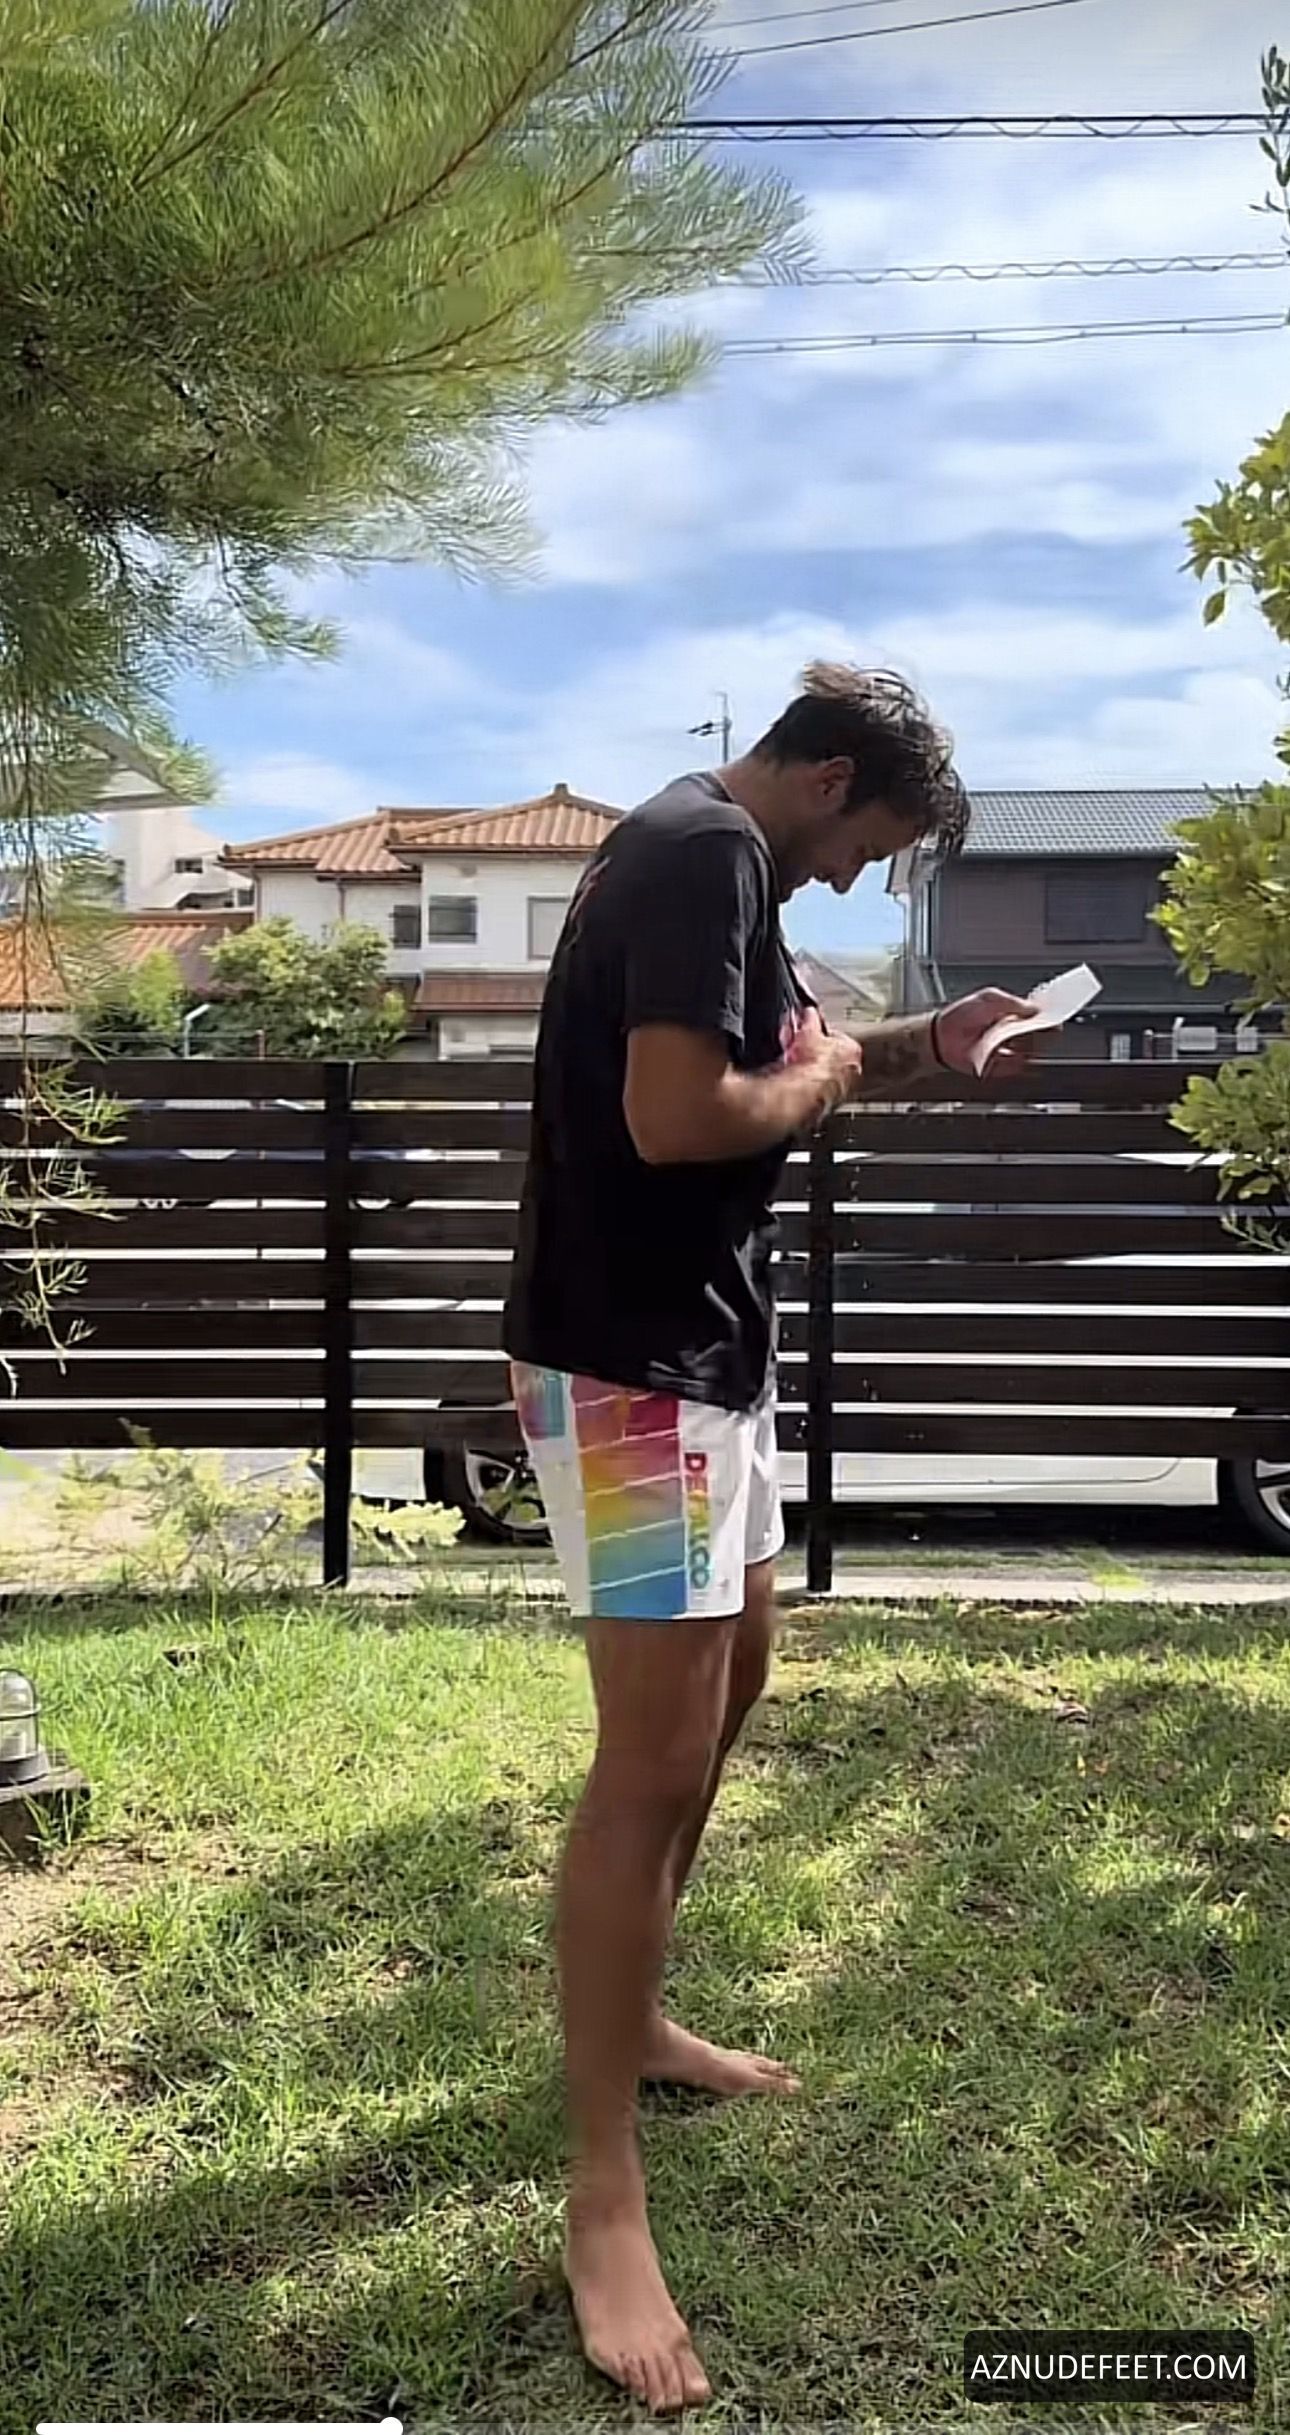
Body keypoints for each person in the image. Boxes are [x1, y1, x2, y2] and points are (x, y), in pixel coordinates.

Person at [501, 663, 1035, 2414]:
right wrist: (814, 1084)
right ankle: (600, 2199)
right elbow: (681, 1118)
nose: (855, 877)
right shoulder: (702, 853)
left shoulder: (712, 863)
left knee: (728, 1692)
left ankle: (640, 2023)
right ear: (821, 780)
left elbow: (788, 1054)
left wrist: (919, 1044)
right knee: (646, 1763)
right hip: (629, 1367)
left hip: (705, 1361)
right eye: (868, 843)